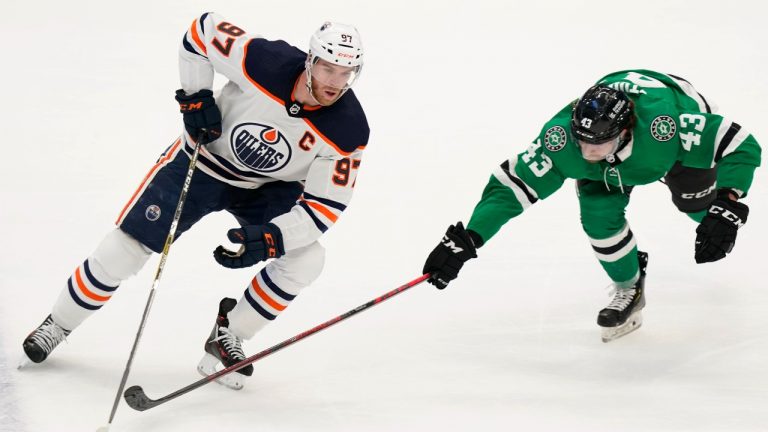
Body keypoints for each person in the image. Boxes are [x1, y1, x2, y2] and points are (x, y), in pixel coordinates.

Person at [21, 13, 369, 389]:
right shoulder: (265, 61)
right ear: (310, 61)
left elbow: (322, 207)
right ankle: (58, 323)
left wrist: (271, 237)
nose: (335, 82)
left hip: (269, 187)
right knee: (125, 249)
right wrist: (195, 96)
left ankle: (228, 336)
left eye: (345, 73)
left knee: (307, 259)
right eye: (328, 69)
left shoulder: (348, 129)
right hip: (202, 162)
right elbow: (202, 31)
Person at [422, 70, 761, 342]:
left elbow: (743, 145)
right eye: (581, 141)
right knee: (597, 217)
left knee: (700, 210)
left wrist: (727, 202)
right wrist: (468, 237)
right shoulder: (561, 139)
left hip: (668, 145)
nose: (586, 153)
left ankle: (710, 210)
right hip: (624, 162)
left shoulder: (667, 127)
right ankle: (630, 288)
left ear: (626, 129)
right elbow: (510, 188)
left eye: (598, 143)